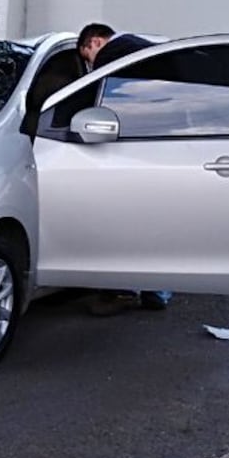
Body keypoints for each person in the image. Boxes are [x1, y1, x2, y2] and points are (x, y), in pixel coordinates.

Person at [74, 21, 171, 315]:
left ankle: (122, 291)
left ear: (94, 43)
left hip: (133, 150)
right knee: (153, 221)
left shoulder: (111, 56)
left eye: (87, 58)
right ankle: (159, 290)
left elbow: (102, 105)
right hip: (162, 145)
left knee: (124, 221)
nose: (91, 66)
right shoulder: (143, 46)